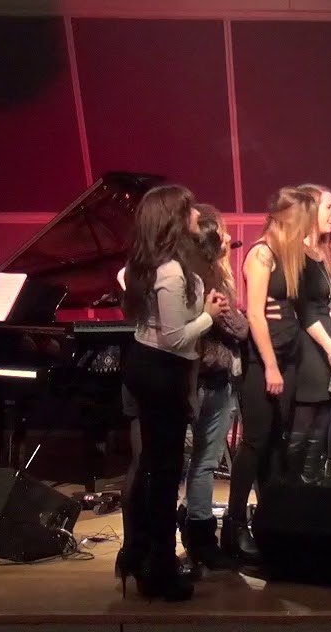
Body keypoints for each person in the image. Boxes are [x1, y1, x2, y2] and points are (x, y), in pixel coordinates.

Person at [119, 185, 226, 601]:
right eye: (190, 209)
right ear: (175, 219)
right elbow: (175, 338)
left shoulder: (149, 264)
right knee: (163, 474)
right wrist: (209, 315)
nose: (198, 214)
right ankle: (159, 569)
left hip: (152, 368)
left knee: (155, 468)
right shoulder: (169, 270)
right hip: (161, 371)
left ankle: (143, 557)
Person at [222, 188, 314, 564]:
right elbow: (256, 314)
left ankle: (269, 521)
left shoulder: (288, 256)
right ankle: (233, 525)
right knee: (256, 441)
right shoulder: (260, 254)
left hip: (289, 355)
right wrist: (271, 366)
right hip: (265, 360)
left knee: (277, 441)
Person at [180, 204, 249, 573]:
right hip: (203, 379)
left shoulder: (209, 274)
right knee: (201, 462)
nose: (229, 237)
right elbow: (235, 327)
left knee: (202, 463)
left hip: (211, 379)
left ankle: (198, 532)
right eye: (223, 231)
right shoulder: (202, 279)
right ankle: (198, 537)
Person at [290, 184, 331, 486]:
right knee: (304, 420)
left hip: (328, 342)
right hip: (308, 345)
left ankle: (309, 483)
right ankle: (291, 488)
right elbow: (306, 310)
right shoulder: (295, 253)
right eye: (329, 206)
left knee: (323, 420)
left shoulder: (326, 252)